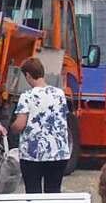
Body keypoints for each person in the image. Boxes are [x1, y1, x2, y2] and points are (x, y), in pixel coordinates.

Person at [10, 57, 71, 193]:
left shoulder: (27, 96)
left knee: (33, 193)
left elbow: (20, 124)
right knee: (53, 191)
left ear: (28, 75)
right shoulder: (60, 94)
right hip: (58, 153)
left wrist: (12, 129)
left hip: (33, 154)